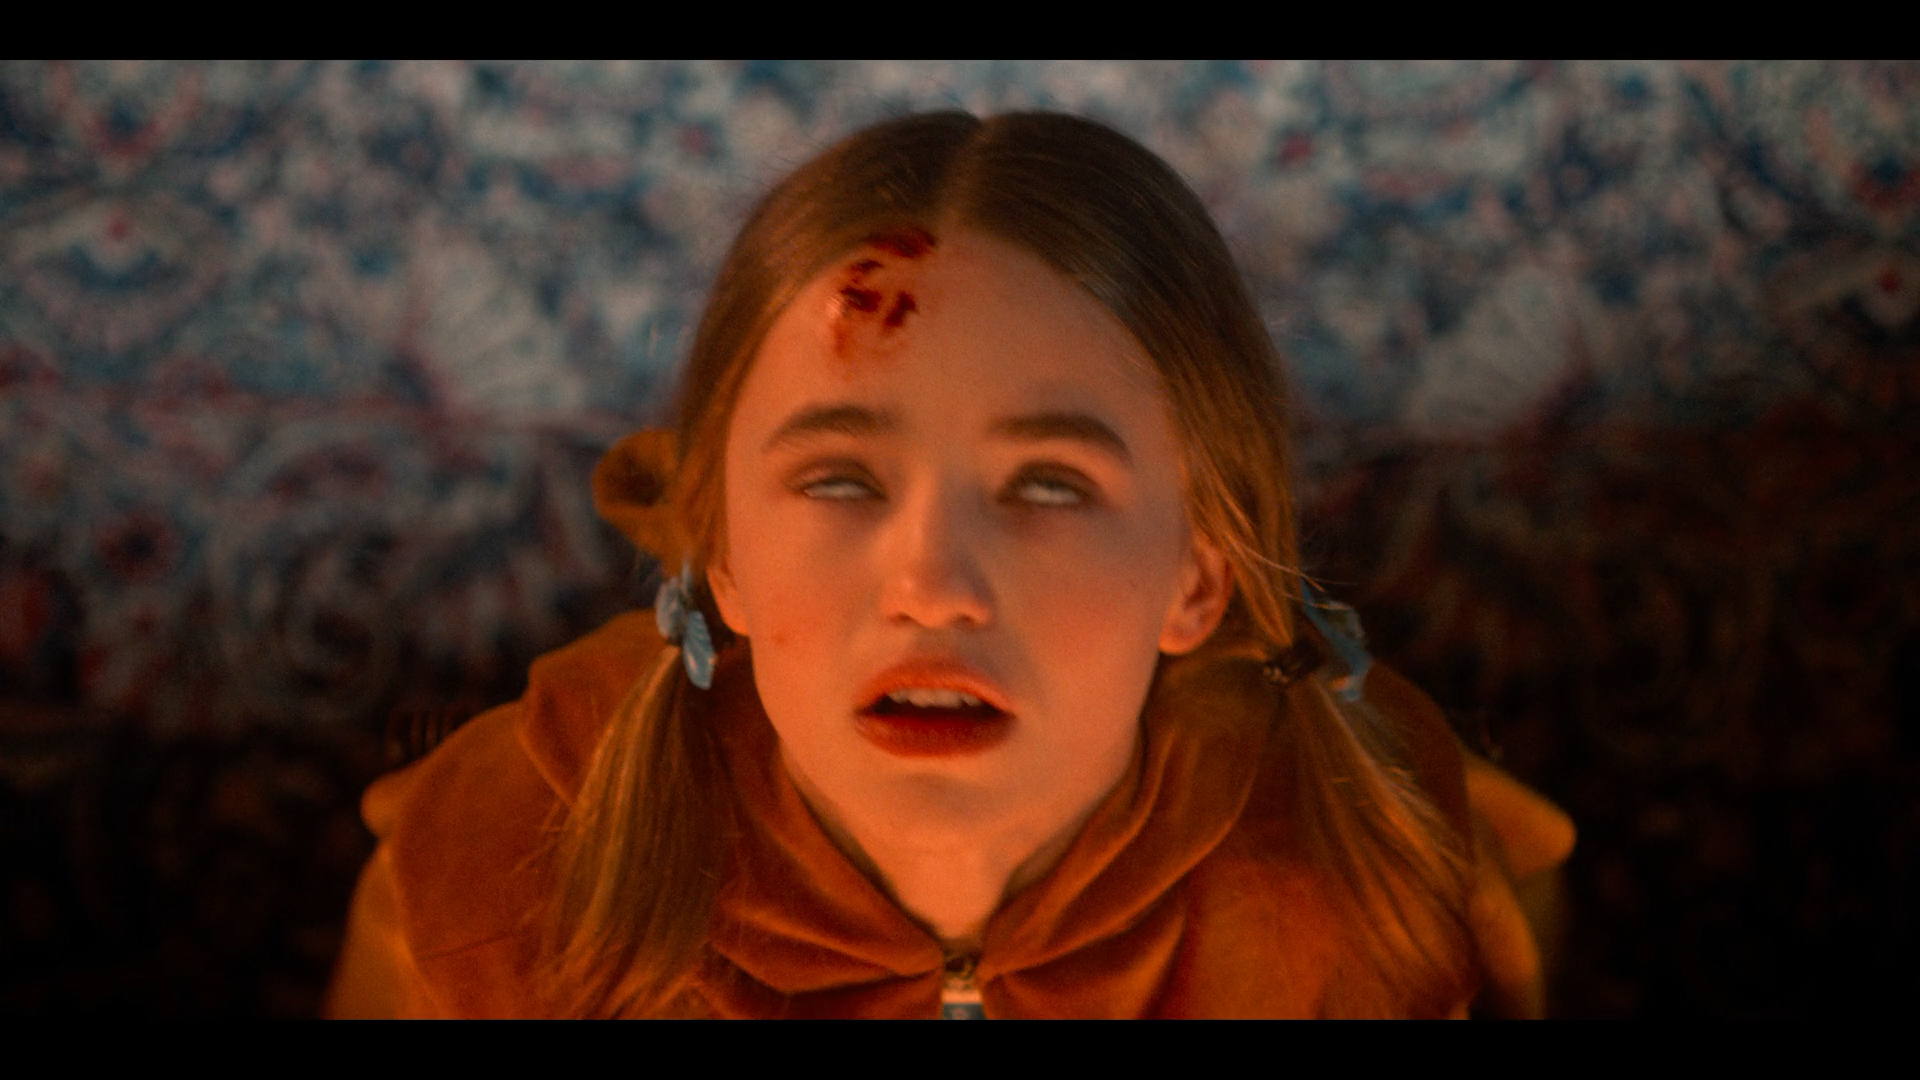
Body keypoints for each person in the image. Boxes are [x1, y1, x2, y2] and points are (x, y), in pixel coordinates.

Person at [325, 111, 1574, 1019]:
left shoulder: (1389, 890)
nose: (931, 584)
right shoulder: (488, 889)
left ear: (1198, 575)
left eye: (1049, 486)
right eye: (839, 481)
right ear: (722, 556)